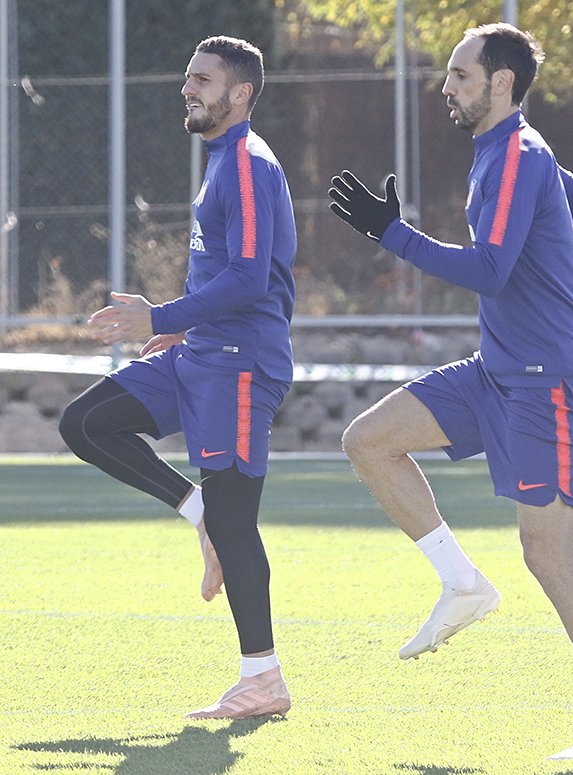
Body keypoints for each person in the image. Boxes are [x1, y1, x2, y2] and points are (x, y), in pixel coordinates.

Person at [327, 22, 573, 762]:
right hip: (499, 369)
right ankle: (462, 583)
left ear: (501, 82)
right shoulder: (502, 152)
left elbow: (490, 270)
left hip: (543, 384)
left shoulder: (519, 153)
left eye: (460, 75)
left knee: (548, 553)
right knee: (368, 441)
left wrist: (393, 234)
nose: (447, 86)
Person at [58, 35, 297, 719]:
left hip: (241, 363)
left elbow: (252, 279)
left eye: (203, 80)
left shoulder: (248, 164)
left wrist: (159, 311)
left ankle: (263, 680)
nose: (188, 89)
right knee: (87, 421)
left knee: (237, 521)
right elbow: (228, 270)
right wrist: (181, 324)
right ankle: (196, 511)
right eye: (186, 77)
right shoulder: (224, 159)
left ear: (241, 93)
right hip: (200, 351)